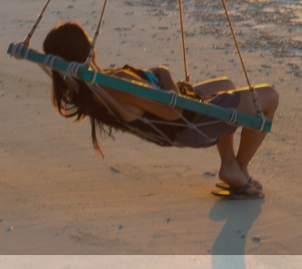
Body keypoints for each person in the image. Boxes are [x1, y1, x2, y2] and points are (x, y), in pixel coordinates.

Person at [40, 20, 280, 199]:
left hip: (176, 119)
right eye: (88, 40)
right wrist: (163, 72)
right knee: (269, 97)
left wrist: (171, 86)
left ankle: (229, 166)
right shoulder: (118, 85)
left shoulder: (90, 88)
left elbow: (161, 103)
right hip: (192, 122)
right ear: (85, 49)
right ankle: (242, 167)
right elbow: (174, 112)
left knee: (226, 84)